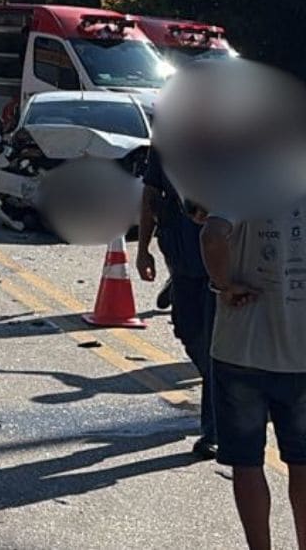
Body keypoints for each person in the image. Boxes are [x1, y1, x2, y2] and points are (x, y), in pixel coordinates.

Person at [201, 197, 306, 550]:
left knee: (246, 462)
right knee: (303, 462)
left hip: (241, 349)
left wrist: (224, 284)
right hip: (301, 352)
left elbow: (212, 236)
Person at [136, 147, 217, 459]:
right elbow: (150, 195)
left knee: (213, 348)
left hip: (221, 266)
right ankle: (219, 389)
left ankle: (214, 430)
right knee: (187, 332)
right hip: (182, 261)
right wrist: (143, 249)